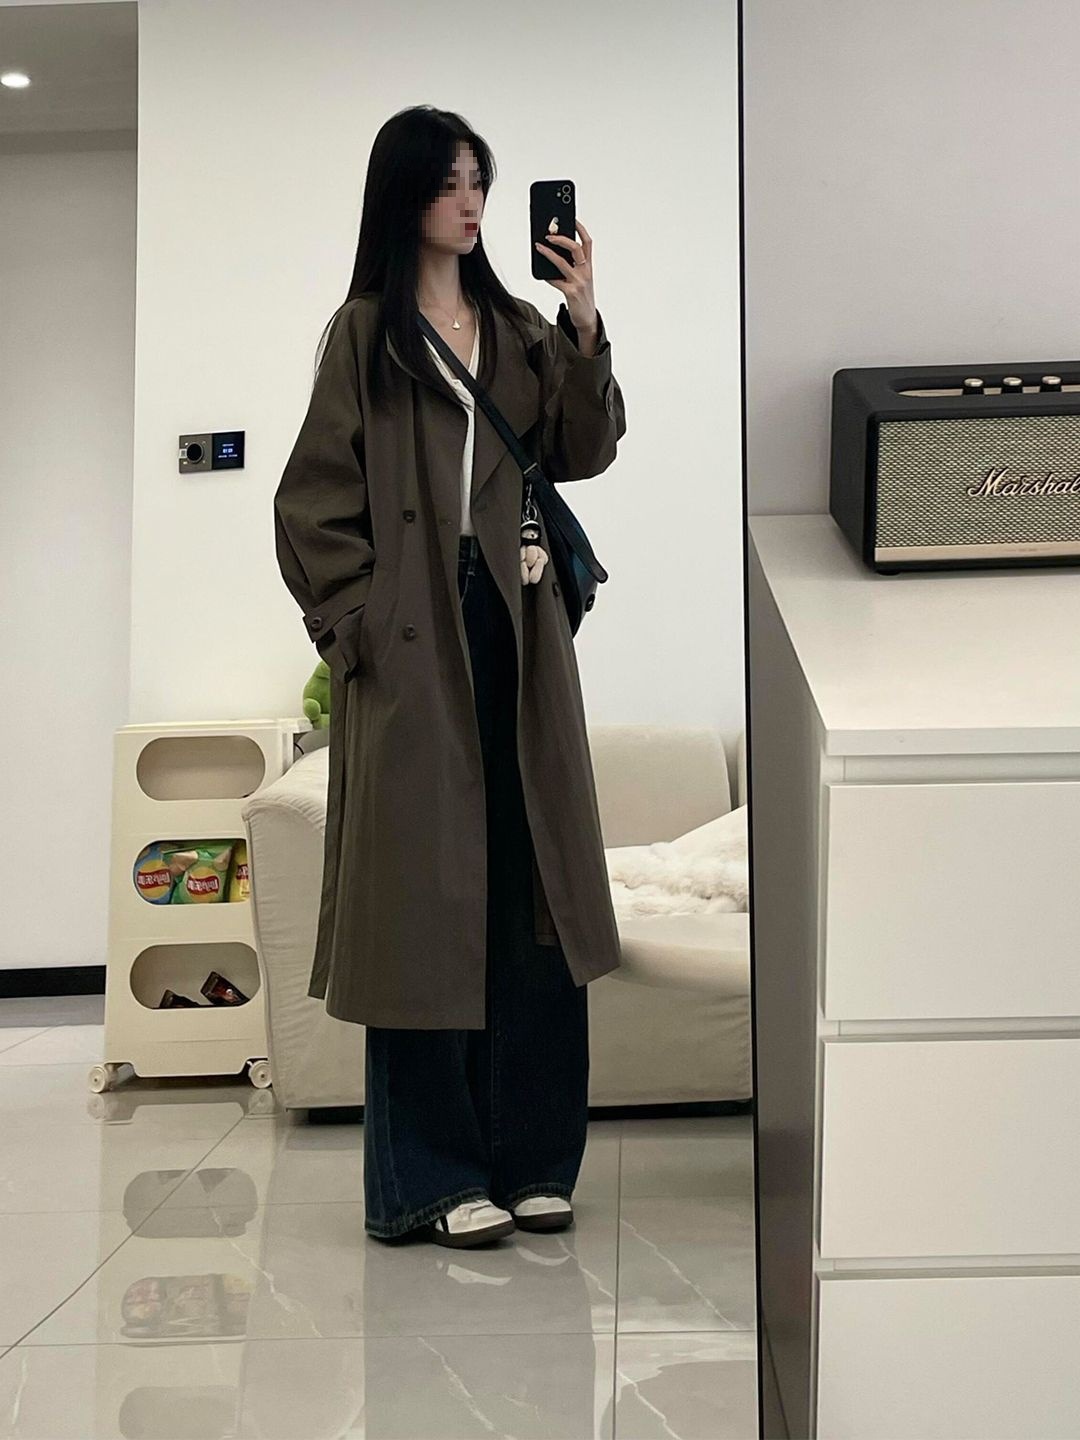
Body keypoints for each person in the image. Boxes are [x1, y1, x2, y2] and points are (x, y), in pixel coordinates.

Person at [273, 105, 627, 1249]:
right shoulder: (365, 337)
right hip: (413, 644)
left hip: (519, 632)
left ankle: (534, 1160)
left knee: (534, 892)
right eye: (450, 183)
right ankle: (428, 1179)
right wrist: (362, 630)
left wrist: (582, 319)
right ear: (406, 196)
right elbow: (309, 505)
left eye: (480, 181)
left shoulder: (518, 329)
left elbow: (584, 449)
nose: (471, 202)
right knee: (425, 907)